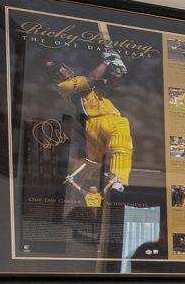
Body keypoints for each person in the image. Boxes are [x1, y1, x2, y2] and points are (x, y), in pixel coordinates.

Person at [48, 51, 132, 208]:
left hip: (97, 125)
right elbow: (93, 78)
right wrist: (106, 61)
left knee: (94, 160)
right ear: (55, 79)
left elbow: (111, 85)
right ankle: (117, 178)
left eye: (61, 68)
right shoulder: (63, 86)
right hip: (101, 120)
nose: (61, 71)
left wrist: (118, 71)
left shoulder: (84, 83)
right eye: (57, 72)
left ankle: (75, 187)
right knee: (120, 144)